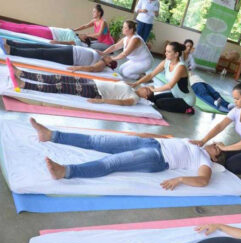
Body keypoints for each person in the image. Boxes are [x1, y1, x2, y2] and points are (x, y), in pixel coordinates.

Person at [29, 118, 221, 190]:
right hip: (149, 142)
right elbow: (168, 137)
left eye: (217, 147)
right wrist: (145, 134)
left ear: (215, 157)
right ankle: (51, 135)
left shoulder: (205, 159)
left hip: (157, 158)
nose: (213, 144)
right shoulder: (195, 143)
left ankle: (66, 172)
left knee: (110, 163)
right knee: (95, 140)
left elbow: (203, 180)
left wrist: (179, 179)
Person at [190, 83, 241, 174]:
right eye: (234, 98)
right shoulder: (236, 110)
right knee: (218, 155)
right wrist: (203, 141)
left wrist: (225, 148)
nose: (234, 101)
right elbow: (220, 126)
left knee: (230, 165)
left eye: (237, 99)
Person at [9, 62, 151, 106]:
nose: (146, 89)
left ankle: (25, 85)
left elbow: (121, 103)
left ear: (145, 97)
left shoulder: (135, 99)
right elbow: (125, 83)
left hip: (95, 91)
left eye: (148, 92)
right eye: (147, 88)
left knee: (60, 86)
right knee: (58, 77)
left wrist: (102, 101)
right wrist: (136, 83)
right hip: (93, 82)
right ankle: (23, 74)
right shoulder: (132, 87)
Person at [132, 42, 196, 114]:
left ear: (176, 54)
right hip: (175, 95)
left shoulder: (181, 67)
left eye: (168, 52)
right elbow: (151, 75)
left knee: (159, 103)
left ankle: (187, 109)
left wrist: (154, 90)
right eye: (166, 51)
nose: (165, 53)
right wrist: (136, 83)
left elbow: (169, 86)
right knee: (152, 99)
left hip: (186, 100)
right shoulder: (166, 62)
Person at [2, 39, 117, 72]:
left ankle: (12, 50)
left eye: (110, 57)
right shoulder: (100, 55)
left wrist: (78, 68)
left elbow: (92, 69)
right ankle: (11, 43)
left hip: (70, 57)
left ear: (109, 63)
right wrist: (59, 42)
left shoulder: (102, 64)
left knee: (41, 52)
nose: (109, 56)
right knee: (40, 45)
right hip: (70, 49)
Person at [0, 19, 87, 46]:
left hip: (49, 34)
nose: (84, 35)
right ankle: (2, 22)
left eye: (85, 36)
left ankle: (1, 25)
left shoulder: (78, 41)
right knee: (24, 26)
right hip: (49, 29)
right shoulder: (75, 34)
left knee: (24, 29)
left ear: (85, 40)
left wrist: (58, 42)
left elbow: (71, 43)